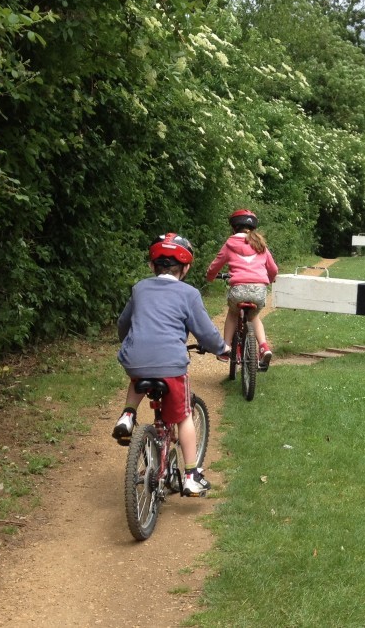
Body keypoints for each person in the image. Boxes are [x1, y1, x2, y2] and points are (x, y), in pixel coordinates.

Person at [112, 233, 229, 497]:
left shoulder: (140, 288)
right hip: (170, 364)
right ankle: (191, 475)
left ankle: (128, 415)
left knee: (139, 373)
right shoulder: (189, 293)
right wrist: (222, 348)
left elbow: (123, 323)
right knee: (184, 414)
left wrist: (130, 341)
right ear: (185, 269)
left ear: (152, 266)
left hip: (136, 359)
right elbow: (206, 333)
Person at [206, 209, 279, 370]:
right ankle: (264, 347)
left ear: (233, 228)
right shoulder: (260, 245)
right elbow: (273, 268)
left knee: (232, 313)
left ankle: (226, 348)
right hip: (259, 291)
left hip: (238, 290)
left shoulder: (230, 243)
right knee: (254, 318)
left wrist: (210, 276)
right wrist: (272, 278)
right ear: (253, 229)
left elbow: (216, 265)